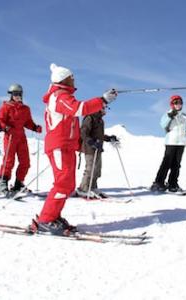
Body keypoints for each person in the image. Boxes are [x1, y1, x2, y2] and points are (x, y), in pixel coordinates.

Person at [31, 63, 117, 235]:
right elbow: (80, 109)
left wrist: (78, 145)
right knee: (63, 184)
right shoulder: (59, 96)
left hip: (66, 146)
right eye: (71, 78)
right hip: (59, 146)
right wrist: (103, 100)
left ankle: (53, 216)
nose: (73, 80)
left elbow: (71, 127)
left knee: (67, 185)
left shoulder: (63, 96)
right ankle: (46, 219)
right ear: (64, 79)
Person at [150, 95, 186, 193]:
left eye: (180, 102)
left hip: (181, 143)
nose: (178, 104)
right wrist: (170, 117)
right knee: (166, 163)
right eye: (176, 102)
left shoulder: (184, 116)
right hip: (171, 142)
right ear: (172, 104)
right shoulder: (168, 114)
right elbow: (163, 125)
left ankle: (173, 184)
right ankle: (158, 183)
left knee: (176, 165)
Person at [0, 84, 42, 195]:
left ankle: (18, 184)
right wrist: (6, 127)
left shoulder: (25, 109)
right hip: (10, 137)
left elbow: (28, 122)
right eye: (15, 94)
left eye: (19, 94)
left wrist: (35, 128)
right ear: (11, 95)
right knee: (9, 160)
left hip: (21, 137)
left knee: (25, 161)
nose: (18, 96)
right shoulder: (6, 107)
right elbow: (0, 120)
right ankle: (3, 183)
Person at [76, 106, 119, 199]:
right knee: (90, 169)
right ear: (98, 108)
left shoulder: (100, 121)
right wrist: (91, 142)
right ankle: (83, 188)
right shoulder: (89, 117)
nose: (106, 111)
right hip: (89, 148)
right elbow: (83, 132)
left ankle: (93, 187)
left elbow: (99, 135)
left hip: (98, 148)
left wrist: (109, 138)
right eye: (104, 108)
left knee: (97, 170)